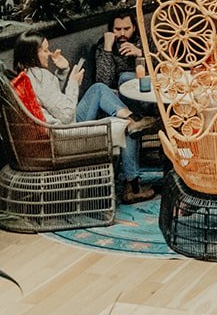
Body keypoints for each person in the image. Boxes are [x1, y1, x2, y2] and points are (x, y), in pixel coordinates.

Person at [12, 32, 155, 204]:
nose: (49, 54)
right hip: (64, 135)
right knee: (124, 127)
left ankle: (133, 121)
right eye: (45, 50)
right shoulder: (41, 77)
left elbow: (52, 101)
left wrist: (62, 71)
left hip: (54, 130)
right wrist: (73, 82)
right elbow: (66, 114)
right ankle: (133, 186)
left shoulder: (27, 76)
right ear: (32, 54)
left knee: (98, 89)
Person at [91, 13, 144, 90]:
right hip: (117, 92)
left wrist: (141, 53)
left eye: (126, 29)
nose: (122, 33)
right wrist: (107, 49)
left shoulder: (144, 39)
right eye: (118, 29)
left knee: (125, 77)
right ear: (112, 29)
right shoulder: (104, 44)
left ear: (134, 28)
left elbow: (161, 68)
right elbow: (103, 83)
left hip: (143, 85)